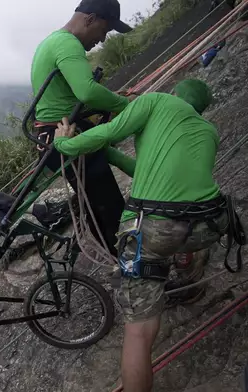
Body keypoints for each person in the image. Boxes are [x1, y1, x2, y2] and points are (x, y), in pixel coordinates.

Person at [52, 79, 231, 392]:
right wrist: (107, 154)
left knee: (139, 332)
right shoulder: (207, 131)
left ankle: (172, 274)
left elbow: (110, 130)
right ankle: (188, 270)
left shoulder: (157, 101)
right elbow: (149, 170)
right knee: (182, 236)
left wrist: (65, 144)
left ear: (175, 92)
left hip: (153, 227)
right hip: (211, 223)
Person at [30, 0, 136, 256]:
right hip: (64, 136)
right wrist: (128, 105)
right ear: (90, 19)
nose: (101, 39)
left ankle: (121, 264)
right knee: (109, 207)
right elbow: (87, 91)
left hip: (54, 136)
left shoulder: (52, 42)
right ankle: (131, 273)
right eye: (104, 30)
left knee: (101, 206)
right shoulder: (67, 44)